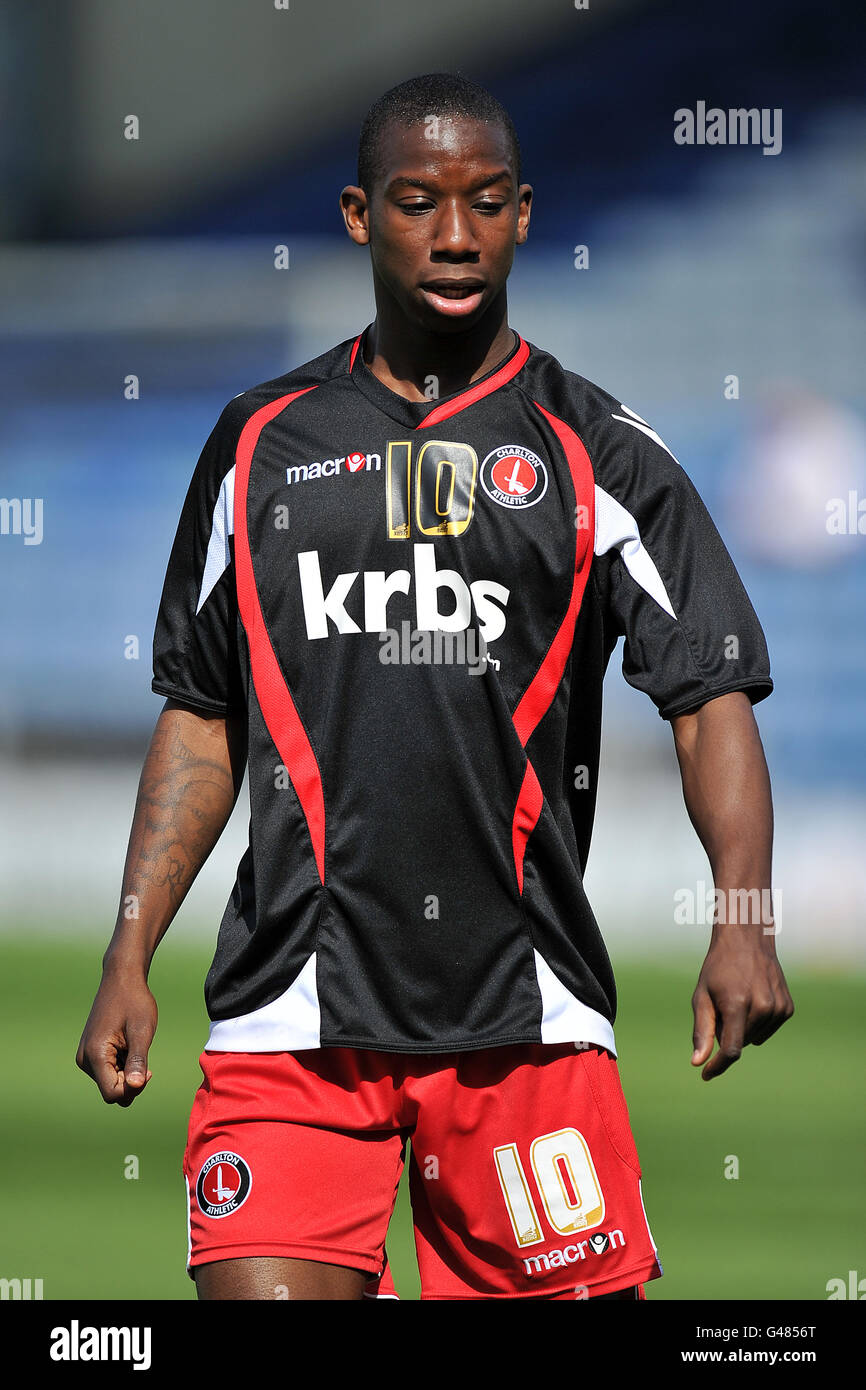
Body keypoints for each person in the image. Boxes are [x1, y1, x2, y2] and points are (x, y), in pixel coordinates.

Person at [76, 71, 794, 1302]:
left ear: (523, 213)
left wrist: (743, 916)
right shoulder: (259, 444)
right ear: (360, 216)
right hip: (287, 1018)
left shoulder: (599, 450)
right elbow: (200, 711)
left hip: (524, 1023)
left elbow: (706, 698)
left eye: (483, 202)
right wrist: (129, 944)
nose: (453, 235)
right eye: (418, 202)